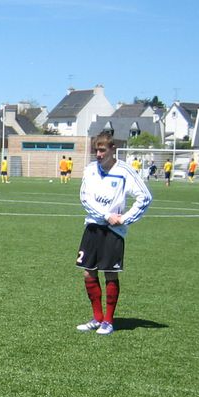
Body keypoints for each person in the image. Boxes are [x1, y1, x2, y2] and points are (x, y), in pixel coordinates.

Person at [75, 131, 152, 335]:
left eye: (102, 150)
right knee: (88, 272)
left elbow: (145, 197)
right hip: (92, 226)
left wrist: (124, 218)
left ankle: (108, 321)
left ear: (112, 149)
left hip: (113, 231)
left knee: (110, 272)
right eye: (96, 150)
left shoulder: (125, 171)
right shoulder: (90, 169)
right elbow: (85, 198)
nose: (98, 154)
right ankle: (96, 318)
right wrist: (105, 214)